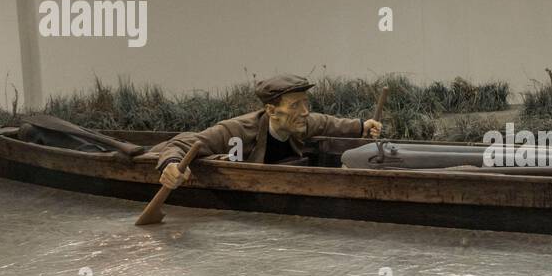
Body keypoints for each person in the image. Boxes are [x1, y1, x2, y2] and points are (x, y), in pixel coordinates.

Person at [151, 75, 382, 189]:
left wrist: (362, 126)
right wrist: (171, 165)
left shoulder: (300, 123)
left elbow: (329, 123)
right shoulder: (238, 130)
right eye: (295, 105)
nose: (304, 112)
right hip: (156, 154)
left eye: (305, 103)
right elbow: (182, 143)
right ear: (271, 110)